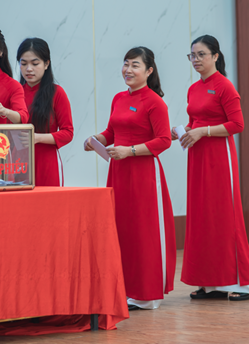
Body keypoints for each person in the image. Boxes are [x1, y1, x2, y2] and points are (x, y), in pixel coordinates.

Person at [84, 47, 176, 310]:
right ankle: (125, 289)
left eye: (135, 65)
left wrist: (130, 151)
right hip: (119, 173)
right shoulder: (118, 98)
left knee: (143, 231)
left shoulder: (155, 102)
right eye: (126, 64)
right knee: (121, 229)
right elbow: (112, 132)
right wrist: (96, 140)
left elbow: (164, 140)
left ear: (149, 71)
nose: (128, 69)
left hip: (144, 174)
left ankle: (147, 294)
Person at [173, 34, 249, 301]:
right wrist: (184, 131)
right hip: (197, 157)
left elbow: (237, 125)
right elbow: (196, 121)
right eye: (192, 55)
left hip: (219, 157)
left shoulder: (225, 86)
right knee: (203, 216)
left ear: (215, 56)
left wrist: (203, 131)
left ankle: (247, 284)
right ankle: (210, 283)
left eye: (201, 54)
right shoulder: (193, 88)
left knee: (224, 216)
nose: (196, 59)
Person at [17, 38, 74, 186]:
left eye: (35, 63)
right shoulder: (15, 93)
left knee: (49, 200)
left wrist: (37, 138)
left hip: (47, 162)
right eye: (24, 63)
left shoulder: (57, 93)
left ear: (46, 64)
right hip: (18, 162)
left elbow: (68, 132)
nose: (29, 69)